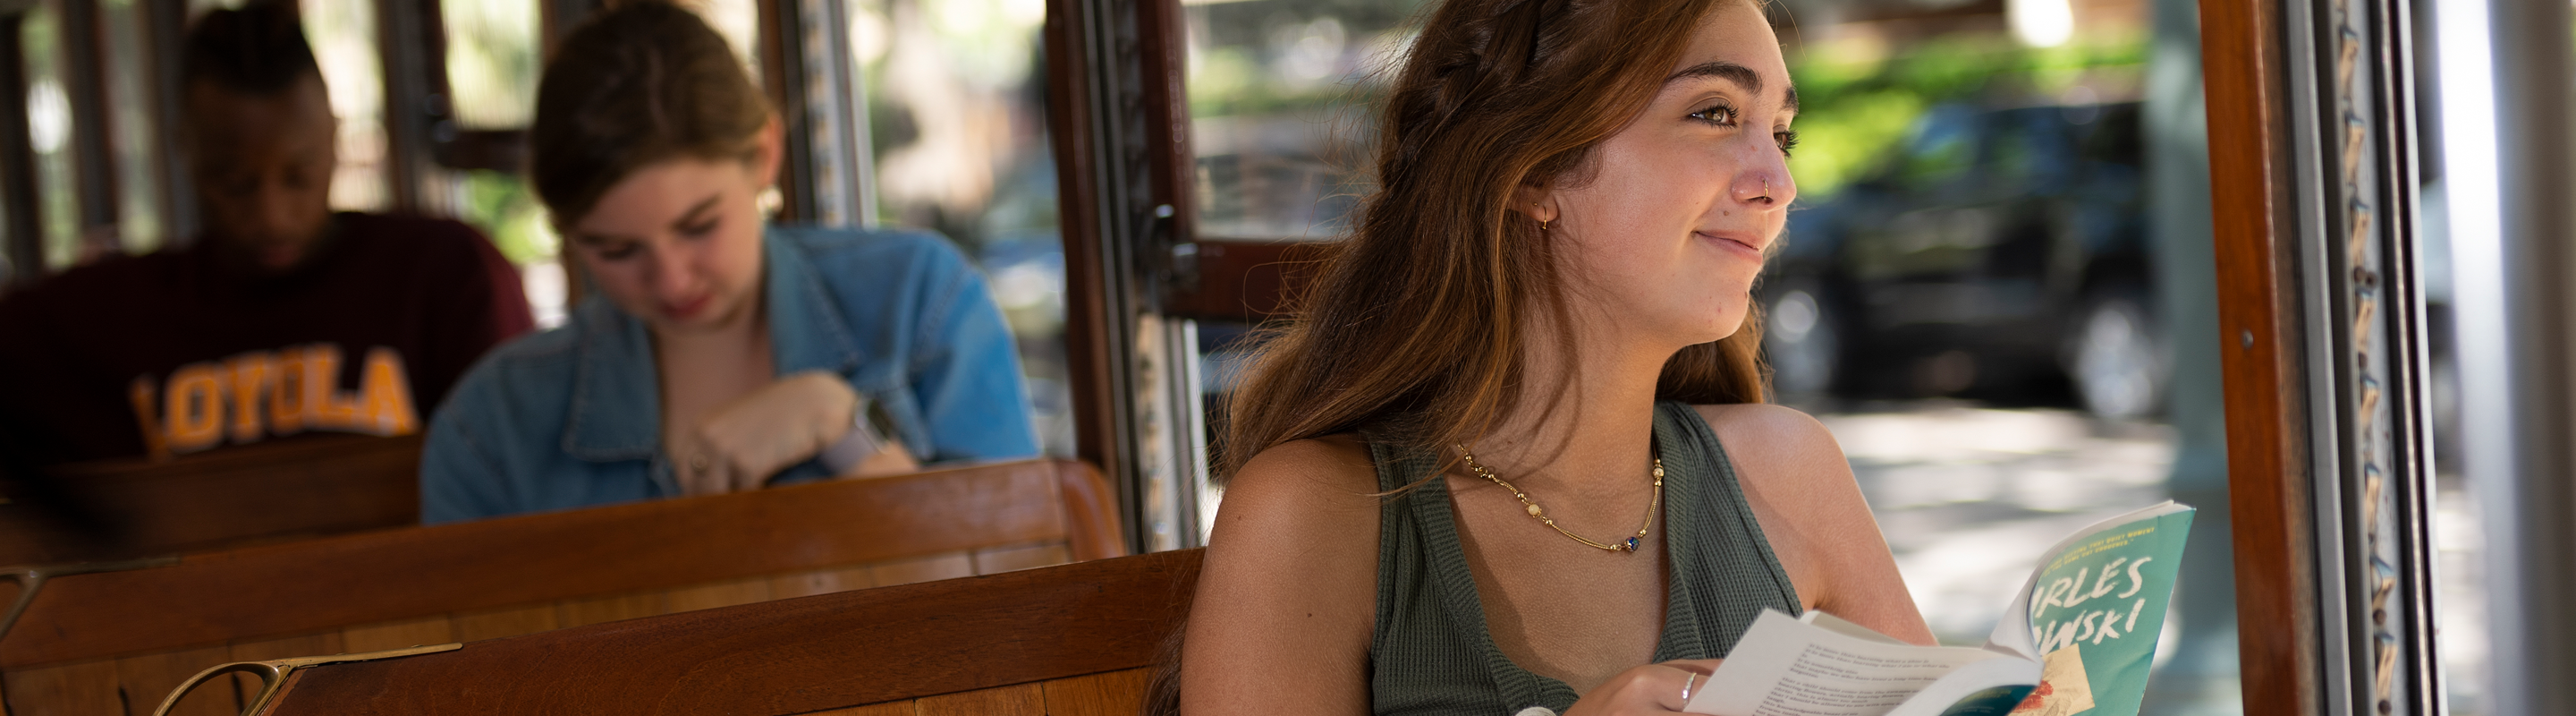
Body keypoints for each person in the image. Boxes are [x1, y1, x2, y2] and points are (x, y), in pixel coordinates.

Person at [1177, 1, 1931, 714]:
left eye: (1781, 134)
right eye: (1713, 113)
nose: (1779, 183)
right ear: (1532, 168)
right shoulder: (1312, 516)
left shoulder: (1791, 474)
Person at [417, 2, 1038, 524]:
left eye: (699, 226)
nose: (672, 279)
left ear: (763, 156)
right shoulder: (493, 426)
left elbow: (1029, 582)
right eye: (616, 249)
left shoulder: (918, 298)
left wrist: (844, 426)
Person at [0, 1, 534, 465]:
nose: (272, 214)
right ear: (187, 152)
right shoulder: (113, 313)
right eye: (234, 183)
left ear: (335, 137)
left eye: (299, 175)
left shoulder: (439, 274)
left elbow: (519, 469)